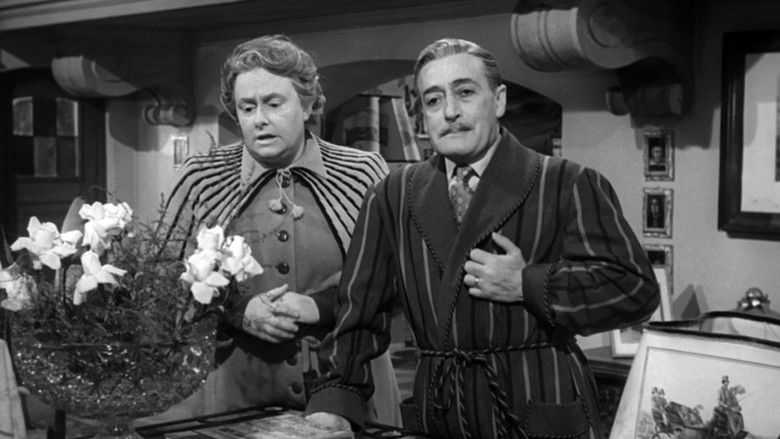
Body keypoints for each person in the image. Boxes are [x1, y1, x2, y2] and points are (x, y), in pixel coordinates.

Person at [306, 38, 659, 438]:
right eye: (433, 100)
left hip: (538, 404)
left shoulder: (567, 182)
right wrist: (334, 403)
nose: (450, 112)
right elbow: (358, 312)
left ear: (499, 100)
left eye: (465, 93)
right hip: (442, 410)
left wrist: (528, 284)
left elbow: (635, 289)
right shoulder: (392, 195)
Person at [145, 35, 401, 425]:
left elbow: (395, 279)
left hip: (350, 389)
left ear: (308, 104)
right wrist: (237, 310)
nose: (259, 119)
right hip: (235, 392)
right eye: (247, 107)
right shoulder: (201, 177)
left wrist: (320, 306)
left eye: (274, 104)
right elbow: (161, 281)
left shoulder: (363, 172)